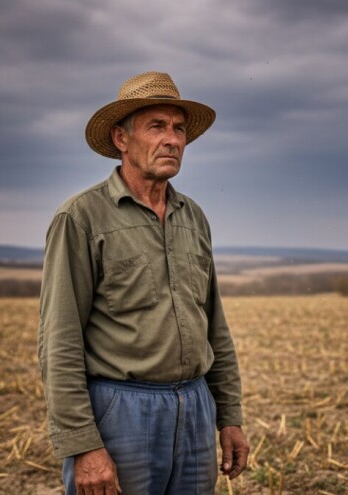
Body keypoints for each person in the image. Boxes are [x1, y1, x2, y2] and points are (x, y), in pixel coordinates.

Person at [38, 71, 249, 495]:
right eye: (156, 126)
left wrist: (229, 415)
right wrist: (83, 446)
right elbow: (59, 341)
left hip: (194, 409)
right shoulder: (81, 218)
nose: (172, 139)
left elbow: (215, 327)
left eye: (179, 129)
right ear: (121, 139)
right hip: (120, 412)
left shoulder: (193, 217)